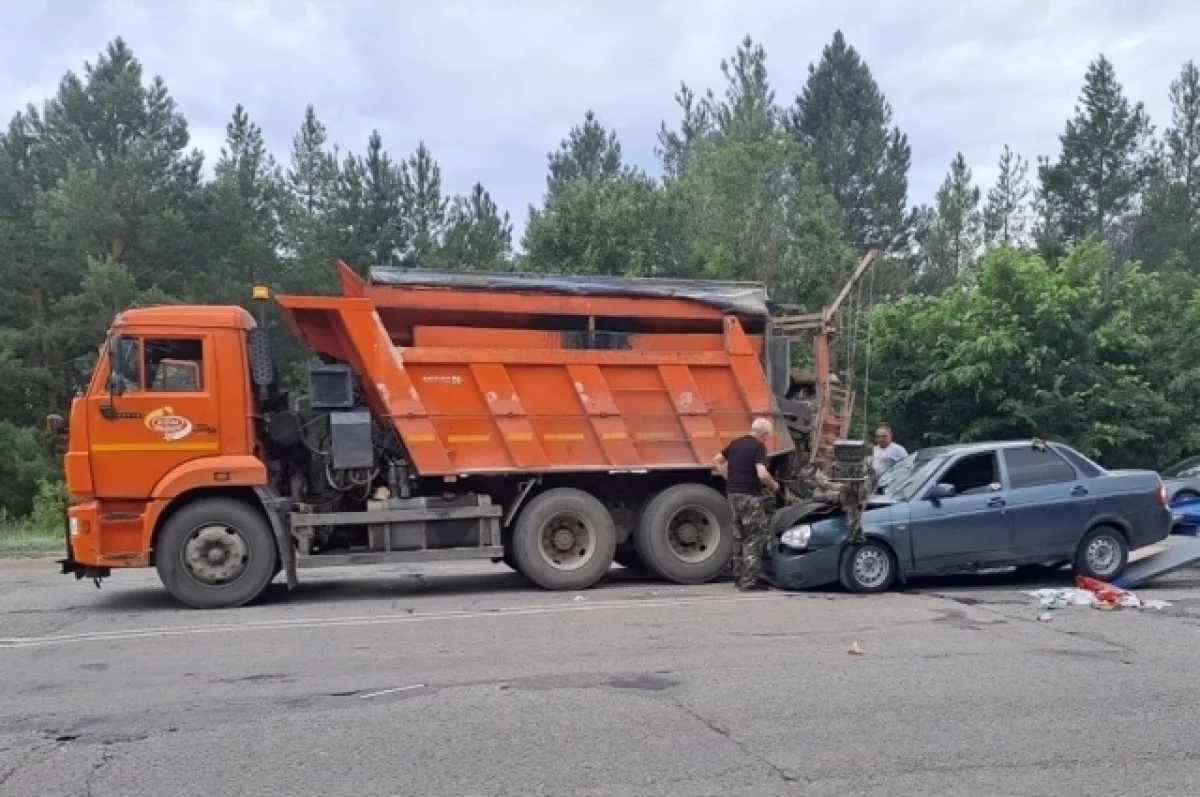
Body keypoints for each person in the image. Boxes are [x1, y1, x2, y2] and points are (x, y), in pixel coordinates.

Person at [713, 417, 780, 591]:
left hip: (733, 494)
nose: (767, 439)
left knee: (738, 534)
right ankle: (750, 581)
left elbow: (717, 460)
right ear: (764, 434)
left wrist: (730, 477)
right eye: (767, 436)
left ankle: (738, 576)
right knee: (754, 536)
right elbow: (762, 474)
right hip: (750, 495)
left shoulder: (736, 443)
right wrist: (774, 486)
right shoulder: (758, 446)